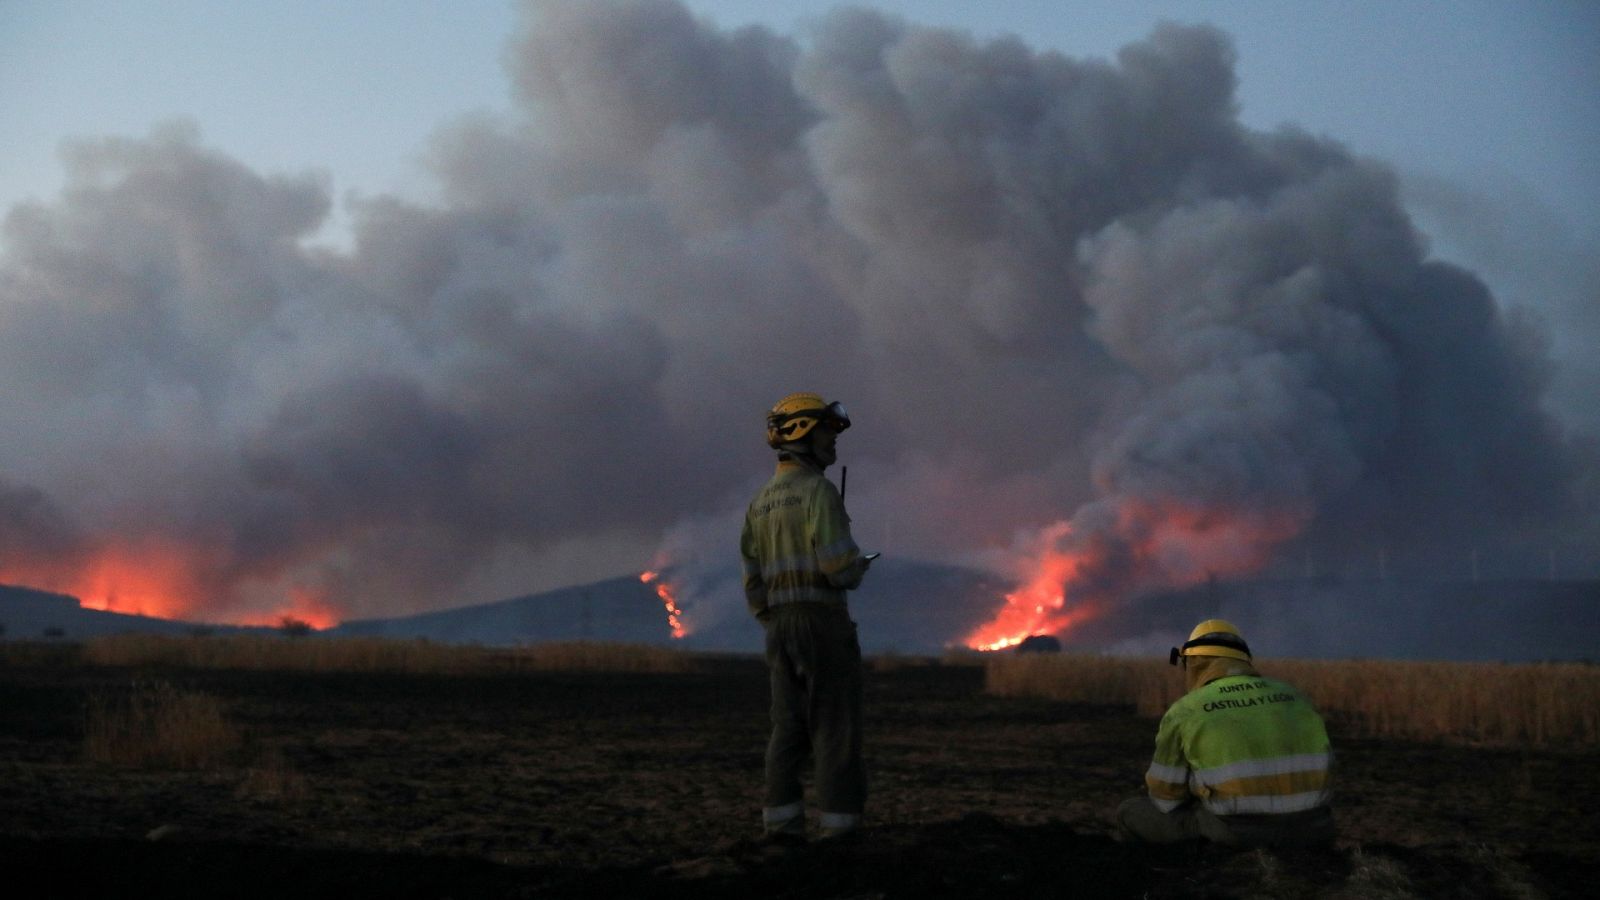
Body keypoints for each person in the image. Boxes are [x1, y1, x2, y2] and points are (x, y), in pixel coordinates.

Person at [740, 392, 874, 843]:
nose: (833, 444)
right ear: (802, 433)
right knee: (835, 726)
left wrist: (774, 622)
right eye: (826, 433)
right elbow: (838, 566)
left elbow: (753, 579)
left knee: (788, 727)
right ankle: (840, 831)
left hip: (778, 626)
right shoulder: (819, 492)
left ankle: (781, 828)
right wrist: (859, 564)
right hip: (822, 621)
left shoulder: (759, 502)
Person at [1117, 619, 1336, 847]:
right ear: (1244, 659)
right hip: (1316, 829)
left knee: (1130, 812)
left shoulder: (1186, 710)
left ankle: (1182, 879)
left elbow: (1165, 798)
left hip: (1240, 835)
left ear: (1193, 663)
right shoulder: (1295, 697)